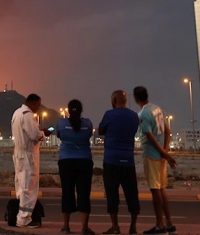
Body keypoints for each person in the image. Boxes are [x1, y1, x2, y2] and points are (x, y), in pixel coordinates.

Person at [133, 86, 177, 235]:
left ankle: (160, 225)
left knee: (155, 190)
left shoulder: (143, 114)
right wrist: (165, 153)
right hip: (160, 157)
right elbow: (168, 132)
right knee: (162, 189)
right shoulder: (157, 109)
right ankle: (169, 223)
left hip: (151, 155)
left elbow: (150, 137)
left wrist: (164, 154)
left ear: (135, 99)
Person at [98, 90, 140, 235]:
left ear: (113, 100)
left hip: (111, 160)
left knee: (112, 194)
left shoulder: (109, 114)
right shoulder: (134, 116)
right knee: (132, 194)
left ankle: (115, 226)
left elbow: (101, 130)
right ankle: (133, 226)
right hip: (128, 160)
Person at [11, 93, 50, 228]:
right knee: (29, 187)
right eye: (38, 106)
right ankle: (24, 219)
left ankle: (20, 215)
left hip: (19, 154)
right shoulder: (27, 115)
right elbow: (34, 135)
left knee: (21, 187)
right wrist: (43, 133)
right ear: (33, 103)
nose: (38, 109)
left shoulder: (17, 113)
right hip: (28, 156)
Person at [56, 99, 95, 234]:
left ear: (68, 110)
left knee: (67, 192)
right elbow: (89, 135)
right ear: (81, 110)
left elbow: (59, 135)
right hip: (84, 160)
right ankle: (84, 227)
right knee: (84, 193)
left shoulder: (61, 123)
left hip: (66, 160)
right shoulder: (88, 124)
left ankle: (66, 226)